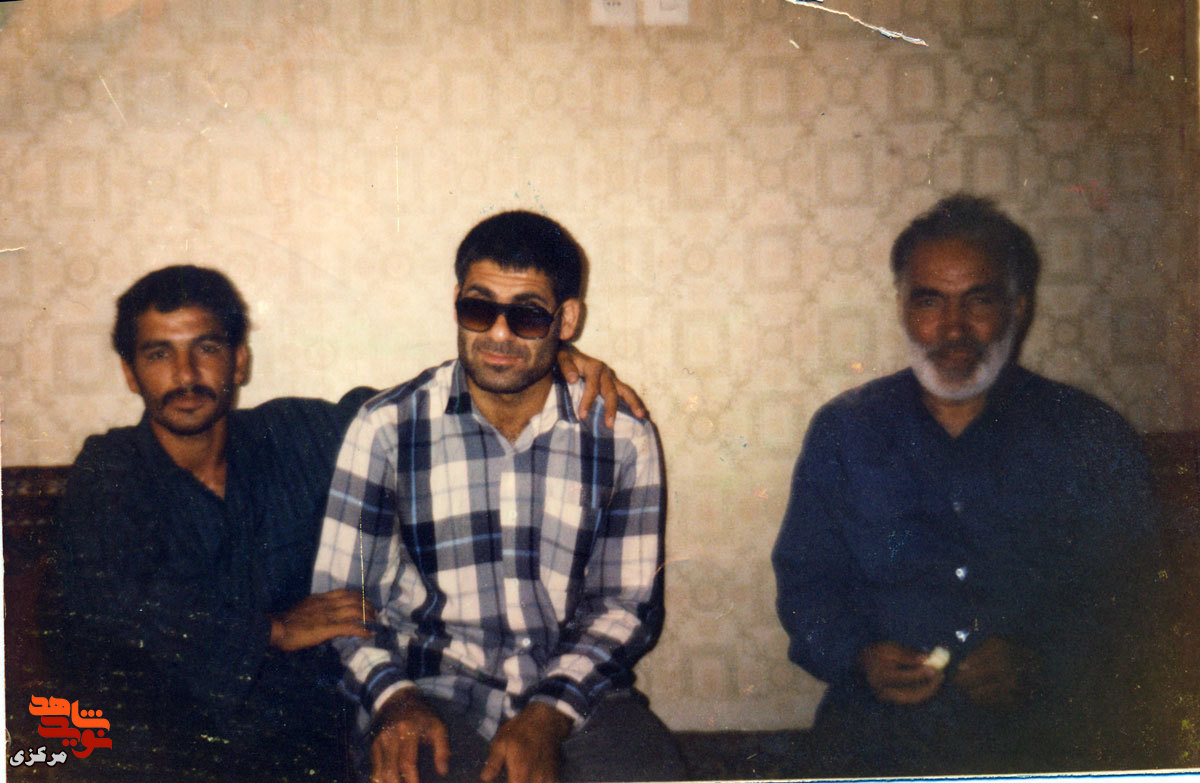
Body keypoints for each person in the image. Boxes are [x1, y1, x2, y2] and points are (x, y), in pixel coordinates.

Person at [49, 264, 642, 781]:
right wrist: (270, 631)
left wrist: (543, 361)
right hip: (163, 741)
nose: (185, 374)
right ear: (129, 372)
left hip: (300, 740)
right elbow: (105, 609)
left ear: (239, 359)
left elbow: (420, 408)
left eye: (205, 348)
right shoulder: (108, 471)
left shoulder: (295, 437)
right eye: (159, 354)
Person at [771, 194, 1164, 775]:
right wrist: (859, 657)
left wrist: (1045, 662)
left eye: (979, 300)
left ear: (1018, 309)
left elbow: (1136, 595)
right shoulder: (845, 430)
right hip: (877, 735)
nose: (953, 328)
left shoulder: (1090, 434)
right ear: (902, 309)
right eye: (929, 301)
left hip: (1045, 735)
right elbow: (806, 584)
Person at [313, 211, 685, 783]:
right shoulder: (388, 428)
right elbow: (343, 603)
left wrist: (548, 713)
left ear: (567, 320)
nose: (500, 335)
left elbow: (625, 605)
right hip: (430, 692)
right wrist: (393, 699)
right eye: (479, 309)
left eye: (528, 315)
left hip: (580, 693)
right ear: (456, 302)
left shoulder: (619, 436)